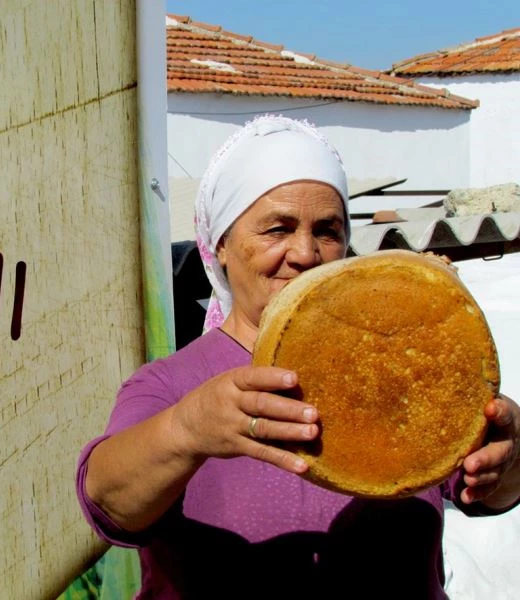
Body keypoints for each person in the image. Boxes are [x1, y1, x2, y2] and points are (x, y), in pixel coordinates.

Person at [76, 116, 520, 599]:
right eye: (277, 229)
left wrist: (510, 460)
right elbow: (107, 500)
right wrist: (190, 429)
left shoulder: (397, 360)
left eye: (327, 230)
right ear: (221, 244)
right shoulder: (171, 384)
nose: (305, 253)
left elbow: (488, 490)